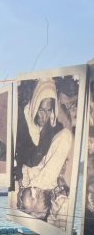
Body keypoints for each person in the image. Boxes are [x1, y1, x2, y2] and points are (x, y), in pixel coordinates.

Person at [15, 79, 74, 226]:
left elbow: (59, 139)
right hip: (28, 171)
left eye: (48, 110)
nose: (44, 116)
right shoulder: (21, 120)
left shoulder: (53, 126)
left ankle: (36, 191)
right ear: (35, 106)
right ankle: (37, 193)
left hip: (41, 177)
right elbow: (23, 158)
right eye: (41, 110)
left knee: (66, 135)